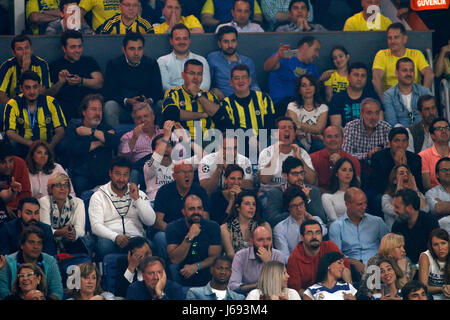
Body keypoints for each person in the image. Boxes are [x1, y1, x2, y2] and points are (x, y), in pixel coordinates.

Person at [88, 157, 155, 261]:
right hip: (110, 238)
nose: (121, 179)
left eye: (125, 175)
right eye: (117, 174)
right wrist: (116, 237)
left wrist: (137, 200)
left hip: (135, 238)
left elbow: (150, 221)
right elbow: (96, 226)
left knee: (149, 245)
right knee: (104, 246)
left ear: (130, 175)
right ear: (110, 173)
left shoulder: (139, 194)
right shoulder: (98, 196)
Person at [161, 59, 232, 141]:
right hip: (184, 141)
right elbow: (171, 114)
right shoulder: (173, 93)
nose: (196, 78)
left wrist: (197, 95)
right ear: (183, 75)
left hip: (209, 141)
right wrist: (201, 115)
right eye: (192, 73)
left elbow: (220, 115)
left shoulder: (210, 95)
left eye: (199, 74)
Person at [103, 32, 163, 128]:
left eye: (139, 49)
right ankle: (114, 138)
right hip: (124, 109)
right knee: (109, 106)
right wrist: (127, 101)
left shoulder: (151, 64)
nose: (136, 53)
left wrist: (149, 101)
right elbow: (109, 92)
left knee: (162, 104)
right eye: (132, 49)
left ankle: (159, 137)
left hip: (147, 109)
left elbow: (158, 91)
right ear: (124, 49)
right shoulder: (114, 64)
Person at [64, 94, 120, 196]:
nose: (98, 113)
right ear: (84, 112)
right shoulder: (74, 127)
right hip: (83, 177)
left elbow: (115, 142)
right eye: (94, 109)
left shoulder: (107, 128)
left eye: (100, 110)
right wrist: (102, 142)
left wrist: (92, 131)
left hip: (105, 177)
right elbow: (74, 149)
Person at [3, 71, 67, 158]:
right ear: (21, 88)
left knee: (63, 146)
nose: (32, 91)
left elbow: (60, 131)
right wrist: (31, 144)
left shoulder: (51, 102)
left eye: (35, 87)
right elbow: (9, 132)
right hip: (23, 145)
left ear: (39, 87)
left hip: (47, 144)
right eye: (27, 88)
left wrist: (49, 146)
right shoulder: (12, 104)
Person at [152, 162, 209, 259]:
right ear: (174, 176)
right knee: (160, 237)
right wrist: (176, 233)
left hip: (195, 231)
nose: (187, 175)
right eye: (183, 172)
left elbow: (206, 218)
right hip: (171, 233)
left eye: (190, 172)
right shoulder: (164, 191)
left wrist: (191, 233)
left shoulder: (200, 191)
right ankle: (165, 269)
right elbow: (158, 222)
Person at [329, 188, 389, 277]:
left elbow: (390, 245)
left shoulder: (377, 222)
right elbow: (336, 255)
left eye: (365, 203)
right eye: (359, 204)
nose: (364, 207)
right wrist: (354, 262)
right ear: (347, 204)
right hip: (351, 269)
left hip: (377, 265)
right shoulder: (337, 226)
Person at [166, 194, 221, 287]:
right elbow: (175, 259)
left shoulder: (213, 227)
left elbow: (214, 257)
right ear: (183, 211)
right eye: (191, 209)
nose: (196, 212)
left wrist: (196, 267)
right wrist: (190, 236)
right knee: (173, 268)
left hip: (204, 270)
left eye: (199, 208)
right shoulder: (173, 227)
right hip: (182, 271)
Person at [48, 30, 103, 122]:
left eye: (80, 46)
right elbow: (47, 94)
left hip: (87, 107)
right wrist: (60, 83)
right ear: (64, 48)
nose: (77, 51)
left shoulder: (89, 62)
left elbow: (99, 82)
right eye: (73, 47)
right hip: (64, 108)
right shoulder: (54, 66)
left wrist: (81, 81)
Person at [287, 220, 351, 297]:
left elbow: (345, 269)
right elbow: (296, 290)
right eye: (309, 233)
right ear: (302, 237)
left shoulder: (330, 246)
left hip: (336, 291)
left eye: (318, 233)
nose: (314, 237)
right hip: (311, 296)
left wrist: (350, 292)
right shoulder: (294, 257)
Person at [372, 22, 434, 98]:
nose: (392, 41)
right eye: (390, 38)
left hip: (414, 97)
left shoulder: (416, 54)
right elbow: (376, 78)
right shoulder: (382, 55)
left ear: (404, 39)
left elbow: (429, 74)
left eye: (396, 37)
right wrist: (382, 100)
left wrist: (423, 97)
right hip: (391, 99)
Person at [0, 226, 63, 300]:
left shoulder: (50, 261)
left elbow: (57, 291)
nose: (36, 247)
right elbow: (3, 291)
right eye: (31, 242)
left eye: (39, 243)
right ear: (22, 245)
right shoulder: (8, 262)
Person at [258, 117, 316, 193]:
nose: (287, 130)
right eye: (283, 128)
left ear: (294, 134)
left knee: (315, 191)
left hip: (296, 193)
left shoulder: (302, 153)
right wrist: (275, 154)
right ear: (275, 134)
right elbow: (264, 180)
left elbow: (312, 181)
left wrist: (300, 159)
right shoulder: (266, 153)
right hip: (271, 193)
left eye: (290, 128)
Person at [223, 64, 274, 150]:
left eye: (244, 77)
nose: (241, 81)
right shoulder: (226, 103)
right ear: (231, 82)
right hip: (240, 146)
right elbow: (230, 129)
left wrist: (260, 142)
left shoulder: (263, 98)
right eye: (236, 78)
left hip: (264, 143)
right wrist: (249, 141)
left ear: (249, 80)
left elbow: (269, 124)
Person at [265, 155, 324, 228]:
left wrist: (307, 200)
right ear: (285, 175)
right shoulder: (276, 193)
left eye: (302, 173)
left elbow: (321, 219)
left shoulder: (313, 191)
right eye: (295, 174)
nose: (300, 177)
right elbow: (273, 220)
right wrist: (295, 208)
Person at [274, 186, 327, 263]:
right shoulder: (280, 228)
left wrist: (310, 218)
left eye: (301, 204)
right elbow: (284, 258)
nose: (299, 209)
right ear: (288, 207)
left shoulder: (315, 219)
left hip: (318, 262)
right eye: (294, 206)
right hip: (296, 265)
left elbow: (324, 231)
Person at [39, 172, 87, 254]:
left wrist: (74, 233)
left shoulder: (78, 203)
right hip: (49, 240)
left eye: (66, 185)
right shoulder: (44, 202)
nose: (62, 188)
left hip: (70, 240)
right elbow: (45, 230)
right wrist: (59, 232)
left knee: (79, 244)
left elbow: (81, 230)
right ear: (51, 188)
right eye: (58, 185)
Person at [264, 36, 320, 106]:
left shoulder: (311, 63)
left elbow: (316, 86)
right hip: (282, 103)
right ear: (305, 46)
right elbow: (267, 67)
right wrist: (277, 56)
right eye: (316, 50)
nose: (317, 55)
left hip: (302, 104)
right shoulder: (288, 54)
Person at [207, 26, 260, 99]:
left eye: (233, 41)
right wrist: (212, 90)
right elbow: (207, 83)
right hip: (223, 102)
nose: (230, 45)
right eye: (226, 42)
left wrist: (256, 100)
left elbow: (254, 85)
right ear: (219, 44)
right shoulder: (213, 58)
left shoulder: (248, 62)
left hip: (246, 100)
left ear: (237, 42)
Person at [228, 225, 284, 294]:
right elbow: (233, 286)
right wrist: (258, 286)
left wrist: (268, 263)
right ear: (251, 242)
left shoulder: (278, 255)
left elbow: (280, 284)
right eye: (260, 240)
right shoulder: (241, 256)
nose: (265, 243)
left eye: (269, 239)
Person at [358, 233, 415, 299]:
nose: (403, 250)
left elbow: (407, 291)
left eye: (403, 247)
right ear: (389, 248)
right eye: (399, 247)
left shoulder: (406, 262)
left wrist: (403, 271)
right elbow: (366, 290)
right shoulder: (374, 262)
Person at [370, 127, 423, 197]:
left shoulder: (415, 159)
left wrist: (405, 167)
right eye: (397, 141)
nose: (400, 145)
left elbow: (418, 184)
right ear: (389, 143)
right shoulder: (378, 158)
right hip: (386, 193)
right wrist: (397, 166)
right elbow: (377, 185)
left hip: (410, 192)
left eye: (404, 141)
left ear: (408, 143)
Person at [157, 24, 210, 93]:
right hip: (173, 99)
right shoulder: (162, 61)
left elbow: (205, 86)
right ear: (171, 41)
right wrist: (186, 93)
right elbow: (165, 86)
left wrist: (192, 93)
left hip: (197, 98)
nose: (182, 42)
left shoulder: (201, 60)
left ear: (189, 40)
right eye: (178, 39)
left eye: (185, 38)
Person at [118, 102, 161, 187]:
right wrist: (134, 138)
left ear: (153, 116)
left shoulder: (164, 133)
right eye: (139, 118)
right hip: (142, 173)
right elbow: (122, 159)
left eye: (146, 116)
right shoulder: (128, 136)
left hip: (163, 170)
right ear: (134, 121)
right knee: (134, 172)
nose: (143, 120)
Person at [392, 189, 439, 264]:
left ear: (410, 208)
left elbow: (436, 249)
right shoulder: (397, 225)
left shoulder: (430, 222)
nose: (394, 210)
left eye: (397, 207)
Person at [0, 35, 51, 105]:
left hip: (36, 106)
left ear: (31, 49)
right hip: (13, 105)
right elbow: (1, 95)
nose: (24, 52)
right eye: (19, 49)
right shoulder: (7, 66)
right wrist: (15, 107)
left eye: (27, 48)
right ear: (14, 53)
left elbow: (41, 92)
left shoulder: (41, 64)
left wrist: (26, 71)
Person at [221, 190, 271, 260]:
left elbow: (269, 251)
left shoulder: (264, 226)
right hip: (235, 265)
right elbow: (230, 254)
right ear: (238, 207)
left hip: (260, 265)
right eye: (247, 204)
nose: (251, 207)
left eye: (254, 204)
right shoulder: (225, 228)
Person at [329, 62, 381, 128]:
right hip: (346, 136)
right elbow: (336, 127)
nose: (359, 79)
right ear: (348, 77)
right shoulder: (337, 98)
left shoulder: (373, 97)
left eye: (363, 76)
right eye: (356, 75)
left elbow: (379, 123)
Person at [383, 58, 432, 128]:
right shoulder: (388, 95)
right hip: (401, 135)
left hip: (425, 132)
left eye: (411, 70)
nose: (408, 74)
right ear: (396, 73)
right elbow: (392, 123)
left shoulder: (425, 92)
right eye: (404, 70)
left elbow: (432, 117)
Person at [311, 126, 360, 193]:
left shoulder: (352, 160)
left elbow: (357, 186)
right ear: (323, 140)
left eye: (336, 136)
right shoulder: (312, 158)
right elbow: (311, 186)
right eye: (329, 137)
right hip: (321, 197)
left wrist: (340, 163)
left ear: (343, 139)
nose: (333, 139)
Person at [286, 73, 328, 152]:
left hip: (315, 143)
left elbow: (319, 129)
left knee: (320, 145)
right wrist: (312, 130)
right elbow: (294, 126)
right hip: (297, 141)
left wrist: (299, 125)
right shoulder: (292, 106)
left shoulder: (323, 108)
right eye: (304, 85)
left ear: (315, 88)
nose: (308, 88)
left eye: (311, 85)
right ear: (299, 90)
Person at [382, 164, 428, 230]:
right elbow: (393, 211)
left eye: (407, 173)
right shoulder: (386, 197)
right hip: (395, 234)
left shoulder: (417, 194)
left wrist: (415, 189)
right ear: (394, 180)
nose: (405, 175)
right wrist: (399, 190)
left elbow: (425, 210)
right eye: (401, 173)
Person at [322, 158, 361, 224]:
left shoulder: (359, 195)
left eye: (350, 170)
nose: (348, 173)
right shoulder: (327, 197)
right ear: (336, 173)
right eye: (344, 170)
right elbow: (334, 221)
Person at [418, 228, 450, 300]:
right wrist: (442, 288)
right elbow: (423, 287)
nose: (440, 248)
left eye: (443, 243)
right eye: (436, 244)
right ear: (431, 247)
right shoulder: (425, 256)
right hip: (430, 295)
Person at [0, 140, 31, 213]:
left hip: (17, 208)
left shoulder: (20, 163)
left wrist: (11, 205)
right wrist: (4, 207)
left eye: (11, 161)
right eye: (3, 162)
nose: (8, 166)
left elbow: (26, 193)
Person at [420, 118, 450, 191]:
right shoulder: (423, 156)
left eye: (446, 128)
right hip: (435, 196)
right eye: (439, 128)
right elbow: (427, 186)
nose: (443, 130)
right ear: (432, 135)